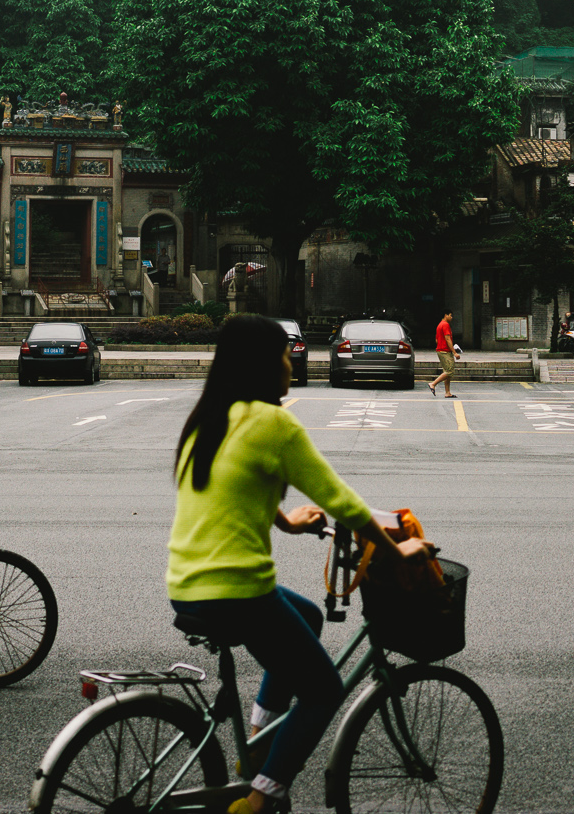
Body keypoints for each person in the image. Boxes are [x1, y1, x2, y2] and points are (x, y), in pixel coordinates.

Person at [168, 313, 428, 814]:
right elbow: (342, 501)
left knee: (307, 616)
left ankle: (263, 737)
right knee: (324, 689)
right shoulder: (273, 423)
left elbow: (231, 496)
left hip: (186, 584)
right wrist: (398, 550)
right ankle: (262, 799)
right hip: (238, 590)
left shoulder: (208, 419)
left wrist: (288, 524)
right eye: (285, 355)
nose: (291, 364)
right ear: (264, 365)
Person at [427, 310, 459, 396]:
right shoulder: (445, 325)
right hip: (445, 351)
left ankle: (447, 392)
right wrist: (454, 352)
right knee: (450, 371)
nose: (451, 317)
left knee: (446, 371)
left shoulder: (439, 325)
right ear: (446, 315)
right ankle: (433, 384)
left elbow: (437, 340)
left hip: (440, 350)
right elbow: (448, 339)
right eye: (450, 315)